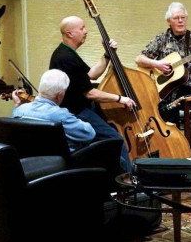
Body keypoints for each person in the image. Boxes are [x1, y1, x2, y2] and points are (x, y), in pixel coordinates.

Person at [49, 16, 135, 173]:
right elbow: (90, 93)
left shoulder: (66, 53)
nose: (86, 31)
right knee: (115, 139)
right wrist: (120, 98)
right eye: (81, 28)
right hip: (77, 112)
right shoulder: (66, 57)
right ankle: (128, 182)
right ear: (69, 33)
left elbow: (91, 75)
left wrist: (107, 55)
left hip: (80, 109)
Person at [135, 2, 191, 124]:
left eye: (183, 18)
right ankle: (171, 139)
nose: (180, 21)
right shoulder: (161, 39)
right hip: (170, 88)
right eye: (176, 18)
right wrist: (156, 64)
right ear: (169, 21)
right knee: (160, 105)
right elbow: (139, 59)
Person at [11, 69, 96, 152]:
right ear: (60, 95)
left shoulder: (19, 110)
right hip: (63, 162)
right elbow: (89, 134)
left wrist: (17, 104)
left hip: (29, 160)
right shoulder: (61, 115)